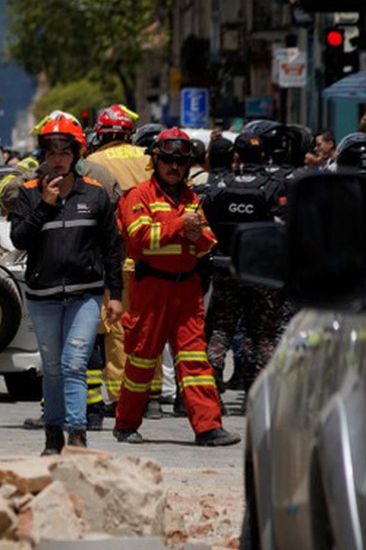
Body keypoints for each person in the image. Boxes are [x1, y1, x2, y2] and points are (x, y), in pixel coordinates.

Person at [114, 128, 240, 447]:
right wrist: (181, 226)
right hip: (151, 288)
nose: (175, 167)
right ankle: (126, 424)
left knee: (195, 360)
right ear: (155, 161)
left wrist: (195, 235)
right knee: (142, 358)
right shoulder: (137, 195)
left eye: (181, 162)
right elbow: (140, 238)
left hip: (187, 290)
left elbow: (207, 243)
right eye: (168, 160)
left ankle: (208, 427)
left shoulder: (190, 197)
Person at [8, 112, 123, 455]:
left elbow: (111, 248)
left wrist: (115, 295)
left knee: (75, 363)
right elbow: (19, 239)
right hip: (42, 296)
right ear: (44, 155)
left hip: (84, 294)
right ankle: (52, 435)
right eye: (51, 152)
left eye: (64, 152)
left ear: (76, 155)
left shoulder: (96, 196)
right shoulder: (29, 194)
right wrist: (44, 206)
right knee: (53, 366)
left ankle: (77, 435)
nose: (57, 160)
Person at [80, 105, 152, 425]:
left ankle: (121, 395)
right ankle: (153, 394)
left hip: (117, 255)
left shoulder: (93, 163)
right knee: (150, 325)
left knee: (117, 327)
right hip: (155, 251)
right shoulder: (149, 157)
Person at [201, 132, 287, 400]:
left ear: (236, 155)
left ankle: (210, 389)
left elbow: (206, 224)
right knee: (264, 333)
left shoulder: (219, 185)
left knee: (221, 329)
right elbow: (284, 227)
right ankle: (262, 392)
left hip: (227, 269)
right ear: (263, 155)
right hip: (262, 273)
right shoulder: (274, 185)